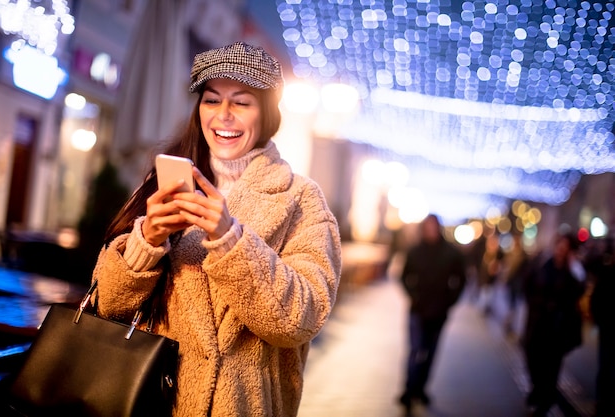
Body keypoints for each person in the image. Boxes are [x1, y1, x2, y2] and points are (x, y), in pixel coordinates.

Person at [92, 42, 342, 417]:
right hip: (153, 399)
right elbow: (107, 305)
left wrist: (231, 241)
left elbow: (300, 319)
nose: (223, 115)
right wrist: (146, 243)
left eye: (241, 103)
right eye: (211, 100)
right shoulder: (166, 182)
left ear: (268, 114)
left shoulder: (301, 198)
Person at [398, 214, 466, 413]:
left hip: (439, 312)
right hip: (417, 311)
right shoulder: (415, 251)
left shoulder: (452, 254)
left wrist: (450, 301)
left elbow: (461, 280)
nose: (430, 231)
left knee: (431, 353)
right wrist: (413, 295)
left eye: (433, 227)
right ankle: (409, 390)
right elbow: (404, 276)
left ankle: (421, 389)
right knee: (415, 350)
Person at [521, 232, 586, 417]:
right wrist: (533, 305)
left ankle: (544, 402)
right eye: (559, 246)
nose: (560, 251)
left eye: (566, 248)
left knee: (551, 367)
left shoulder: (572, 271)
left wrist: (574, 266)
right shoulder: (543, 264)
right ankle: (537, 391)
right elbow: (528, 283)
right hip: (537, 323)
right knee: (532, 359)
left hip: (557, 328)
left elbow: (578, 292)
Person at [587, 237, 615, 417]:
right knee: (606, 367)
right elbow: (596, 299)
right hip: (608, 328)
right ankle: (602, 401)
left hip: (606, 326)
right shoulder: (607, 271)